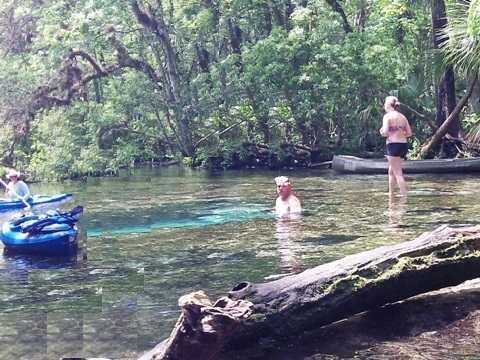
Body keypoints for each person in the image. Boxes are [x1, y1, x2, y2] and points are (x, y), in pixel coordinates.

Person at [379, 96, 413, 197]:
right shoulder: (402, 117)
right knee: (392, 170)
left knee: (398, 172)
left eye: (385, 103)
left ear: (389, 105)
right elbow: (409, 133)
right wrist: (400, 134)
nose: (384, 105)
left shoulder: (387, 116)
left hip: (393, 145)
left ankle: (404, 195)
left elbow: (385, 132)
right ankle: (391, 193)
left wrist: (382, 133)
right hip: (403, 145)